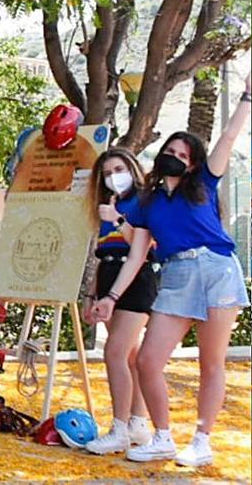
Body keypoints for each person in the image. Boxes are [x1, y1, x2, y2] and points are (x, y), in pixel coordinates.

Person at [92, 77, 251, 468]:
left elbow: (228, 139)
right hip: (177, 274)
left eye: (182, 153)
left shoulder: (203, 183)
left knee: (211, 363)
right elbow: (135, 252)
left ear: (192, 161)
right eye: (170, 150)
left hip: (216, 268)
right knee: (148, 360)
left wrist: (248, 96)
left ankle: (201, 439)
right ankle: (161, 436)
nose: (174, 156)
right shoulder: (146, 202)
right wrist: (109, 298)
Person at [80, 148, 156, 454]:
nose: (114, 177)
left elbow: (144, 246)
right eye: (107, 173)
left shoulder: (143, 202)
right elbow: (102, 255)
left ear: (133, 168)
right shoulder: (105, 206)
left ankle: (119, 427)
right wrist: (91, 294)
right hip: (109, 275)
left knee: (114, 352)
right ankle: (138, 421)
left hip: (136, 280)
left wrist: (119, 219)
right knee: (128, 354)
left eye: (119, 169)